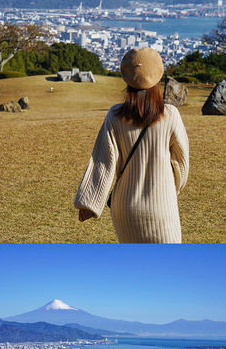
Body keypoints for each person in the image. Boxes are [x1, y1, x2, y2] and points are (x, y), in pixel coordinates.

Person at [74, 47, 189, 243]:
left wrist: (89, 204)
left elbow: (102, 162)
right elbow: (181, 161)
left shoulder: (115, 115)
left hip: (125, 209)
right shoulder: (170, 115)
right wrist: (173, 187)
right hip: (162, 206)